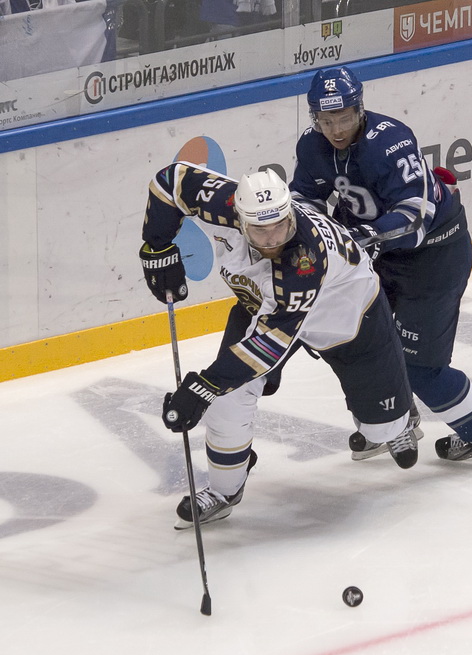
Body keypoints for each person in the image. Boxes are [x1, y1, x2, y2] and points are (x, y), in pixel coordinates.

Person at [139, 164, 418, 529]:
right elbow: (171, 181)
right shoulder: (222, 203)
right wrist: (156, 246)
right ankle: (225, 490)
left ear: (290, 215)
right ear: (239, 219)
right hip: (267, 307)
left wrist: (202, 386)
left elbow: (271, 344)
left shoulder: (303, 257)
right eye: (260, 230)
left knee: (380, 429)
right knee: (226, 397)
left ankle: (398, 420)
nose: (272, 239)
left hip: (348, 316)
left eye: (280, 227)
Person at [290, 66, 472, 462]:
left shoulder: (390, 141)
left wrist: (364, 238)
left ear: (360, 109)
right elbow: (304, 200)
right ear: (315, 119)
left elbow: (415, 216)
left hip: (433, 257)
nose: (336, 129)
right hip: (379, 256)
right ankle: (391, 420)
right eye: (326, 120)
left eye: (344, 117)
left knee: (418, 366)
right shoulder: (312, 146)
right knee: (361, 343)